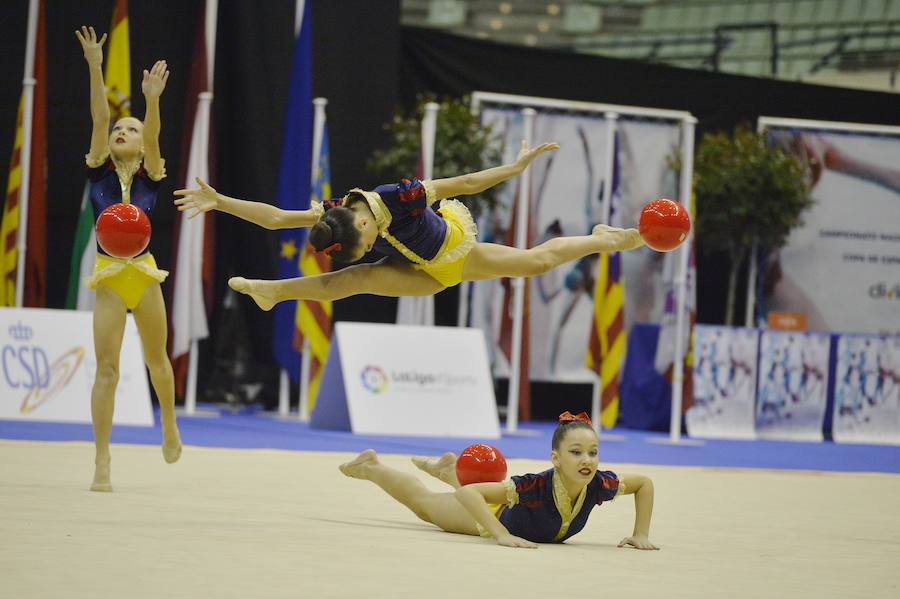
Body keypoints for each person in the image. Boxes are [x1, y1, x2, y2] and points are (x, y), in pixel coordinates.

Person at [173, 142, 645, 309]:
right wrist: (219, 202)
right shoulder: (338, 212)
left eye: (367, 243)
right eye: (367, 245)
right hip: (415, 268)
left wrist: (515, 168)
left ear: (366, 221)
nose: (370, 245)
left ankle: (600, 239)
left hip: (450, 254)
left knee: (537, 263)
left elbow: (465, 182)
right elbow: (277, 218)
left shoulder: (401, 196)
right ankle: (273, 292)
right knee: (354, 278)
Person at [75, 26, 181, 492]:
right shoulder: (98, 168)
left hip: (144, 273)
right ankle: (102, 459)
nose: (122, 131)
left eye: (130, 129)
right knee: (108, 369)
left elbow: (153, 136)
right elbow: (99, 117)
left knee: (157, 359)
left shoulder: (151, 175)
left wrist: (151, 103)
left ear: (141, 144)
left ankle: (170, 425)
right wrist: (95, 66)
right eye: (120, 129)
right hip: (109, 276)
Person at [338, 411, 658, 549]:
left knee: (457, 493)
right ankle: (371, 466)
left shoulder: (599, 484)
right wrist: (500, 534)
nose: (586, 460)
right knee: (424, 505)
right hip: (486, 515)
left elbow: (644, 483)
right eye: (576, 453)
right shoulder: (535, 486)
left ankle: (450, 471)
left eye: (593, 452)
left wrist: (640, 534)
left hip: (498, 507)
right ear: (555, 459)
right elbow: (469, 496)